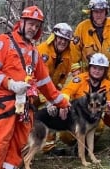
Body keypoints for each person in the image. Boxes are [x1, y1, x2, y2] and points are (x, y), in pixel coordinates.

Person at [0, 6, 69, 169]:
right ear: (22, 22)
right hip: (3, 105)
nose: (33, 28)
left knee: (16, 147)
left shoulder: (34, 52)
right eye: (31, 24)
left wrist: (62, 102)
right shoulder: (3, 41)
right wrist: (11, 84)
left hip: (24, 109)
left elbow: (45, 83)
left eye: (36, 26)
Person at [57, 53, 110, 152]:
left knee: (99, 126)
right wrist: (63, 104)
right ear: (90, 67)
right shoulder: (80, 78)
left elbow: (108, 101)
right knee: (65, 134)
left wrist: (108, 109)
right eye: (95, 68)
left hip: (94, 116)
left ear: (104, 71)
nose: (97, 71)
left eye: (101, 69)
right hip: (77, 116)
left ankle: (88, 147)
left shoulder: (107, 84)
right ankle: (74, 145)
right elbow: (67, 91)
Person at [36, 22, 74, 153]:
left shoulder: (67, 58)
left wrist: (55, 100)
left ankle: (48, 147)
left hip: (50, 92)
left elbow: (60, 82)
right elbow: (37, 79)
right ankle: (22, 147)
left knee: (54, 111)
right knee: (27, 118)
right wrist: (47, 101)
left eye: (66, 40)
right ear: (54, 37)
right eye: (60, 38)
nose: (63, 42)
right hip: (32, 91)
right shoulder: (42, 51)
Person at [70, 0, 110, 69]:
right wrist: (76, 70)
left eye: (101, 11)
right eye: (96, 12)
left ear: (106, 12)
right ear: (91, 13)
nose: (99, 15)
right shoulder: (82, 28)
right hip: (88, 73)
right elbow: (73, 53)